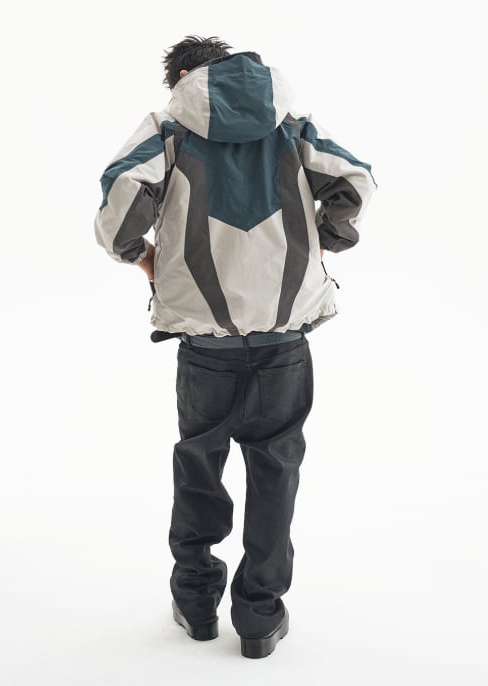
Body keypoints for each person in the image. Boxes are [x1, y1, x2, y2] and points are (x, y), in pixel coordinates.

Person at [93, 35, 377, 659]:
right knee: (275, 471)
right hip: (284, 337)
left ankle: (197, 608)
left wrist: (141, 257)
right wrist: (325, 242)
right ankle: (259, 618)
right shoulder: (291, 123)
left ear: (182, 77)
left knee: (199, 467)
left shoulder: (168, 128)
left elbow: (121, 203)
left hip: (207, 345)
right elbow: (354, 182)